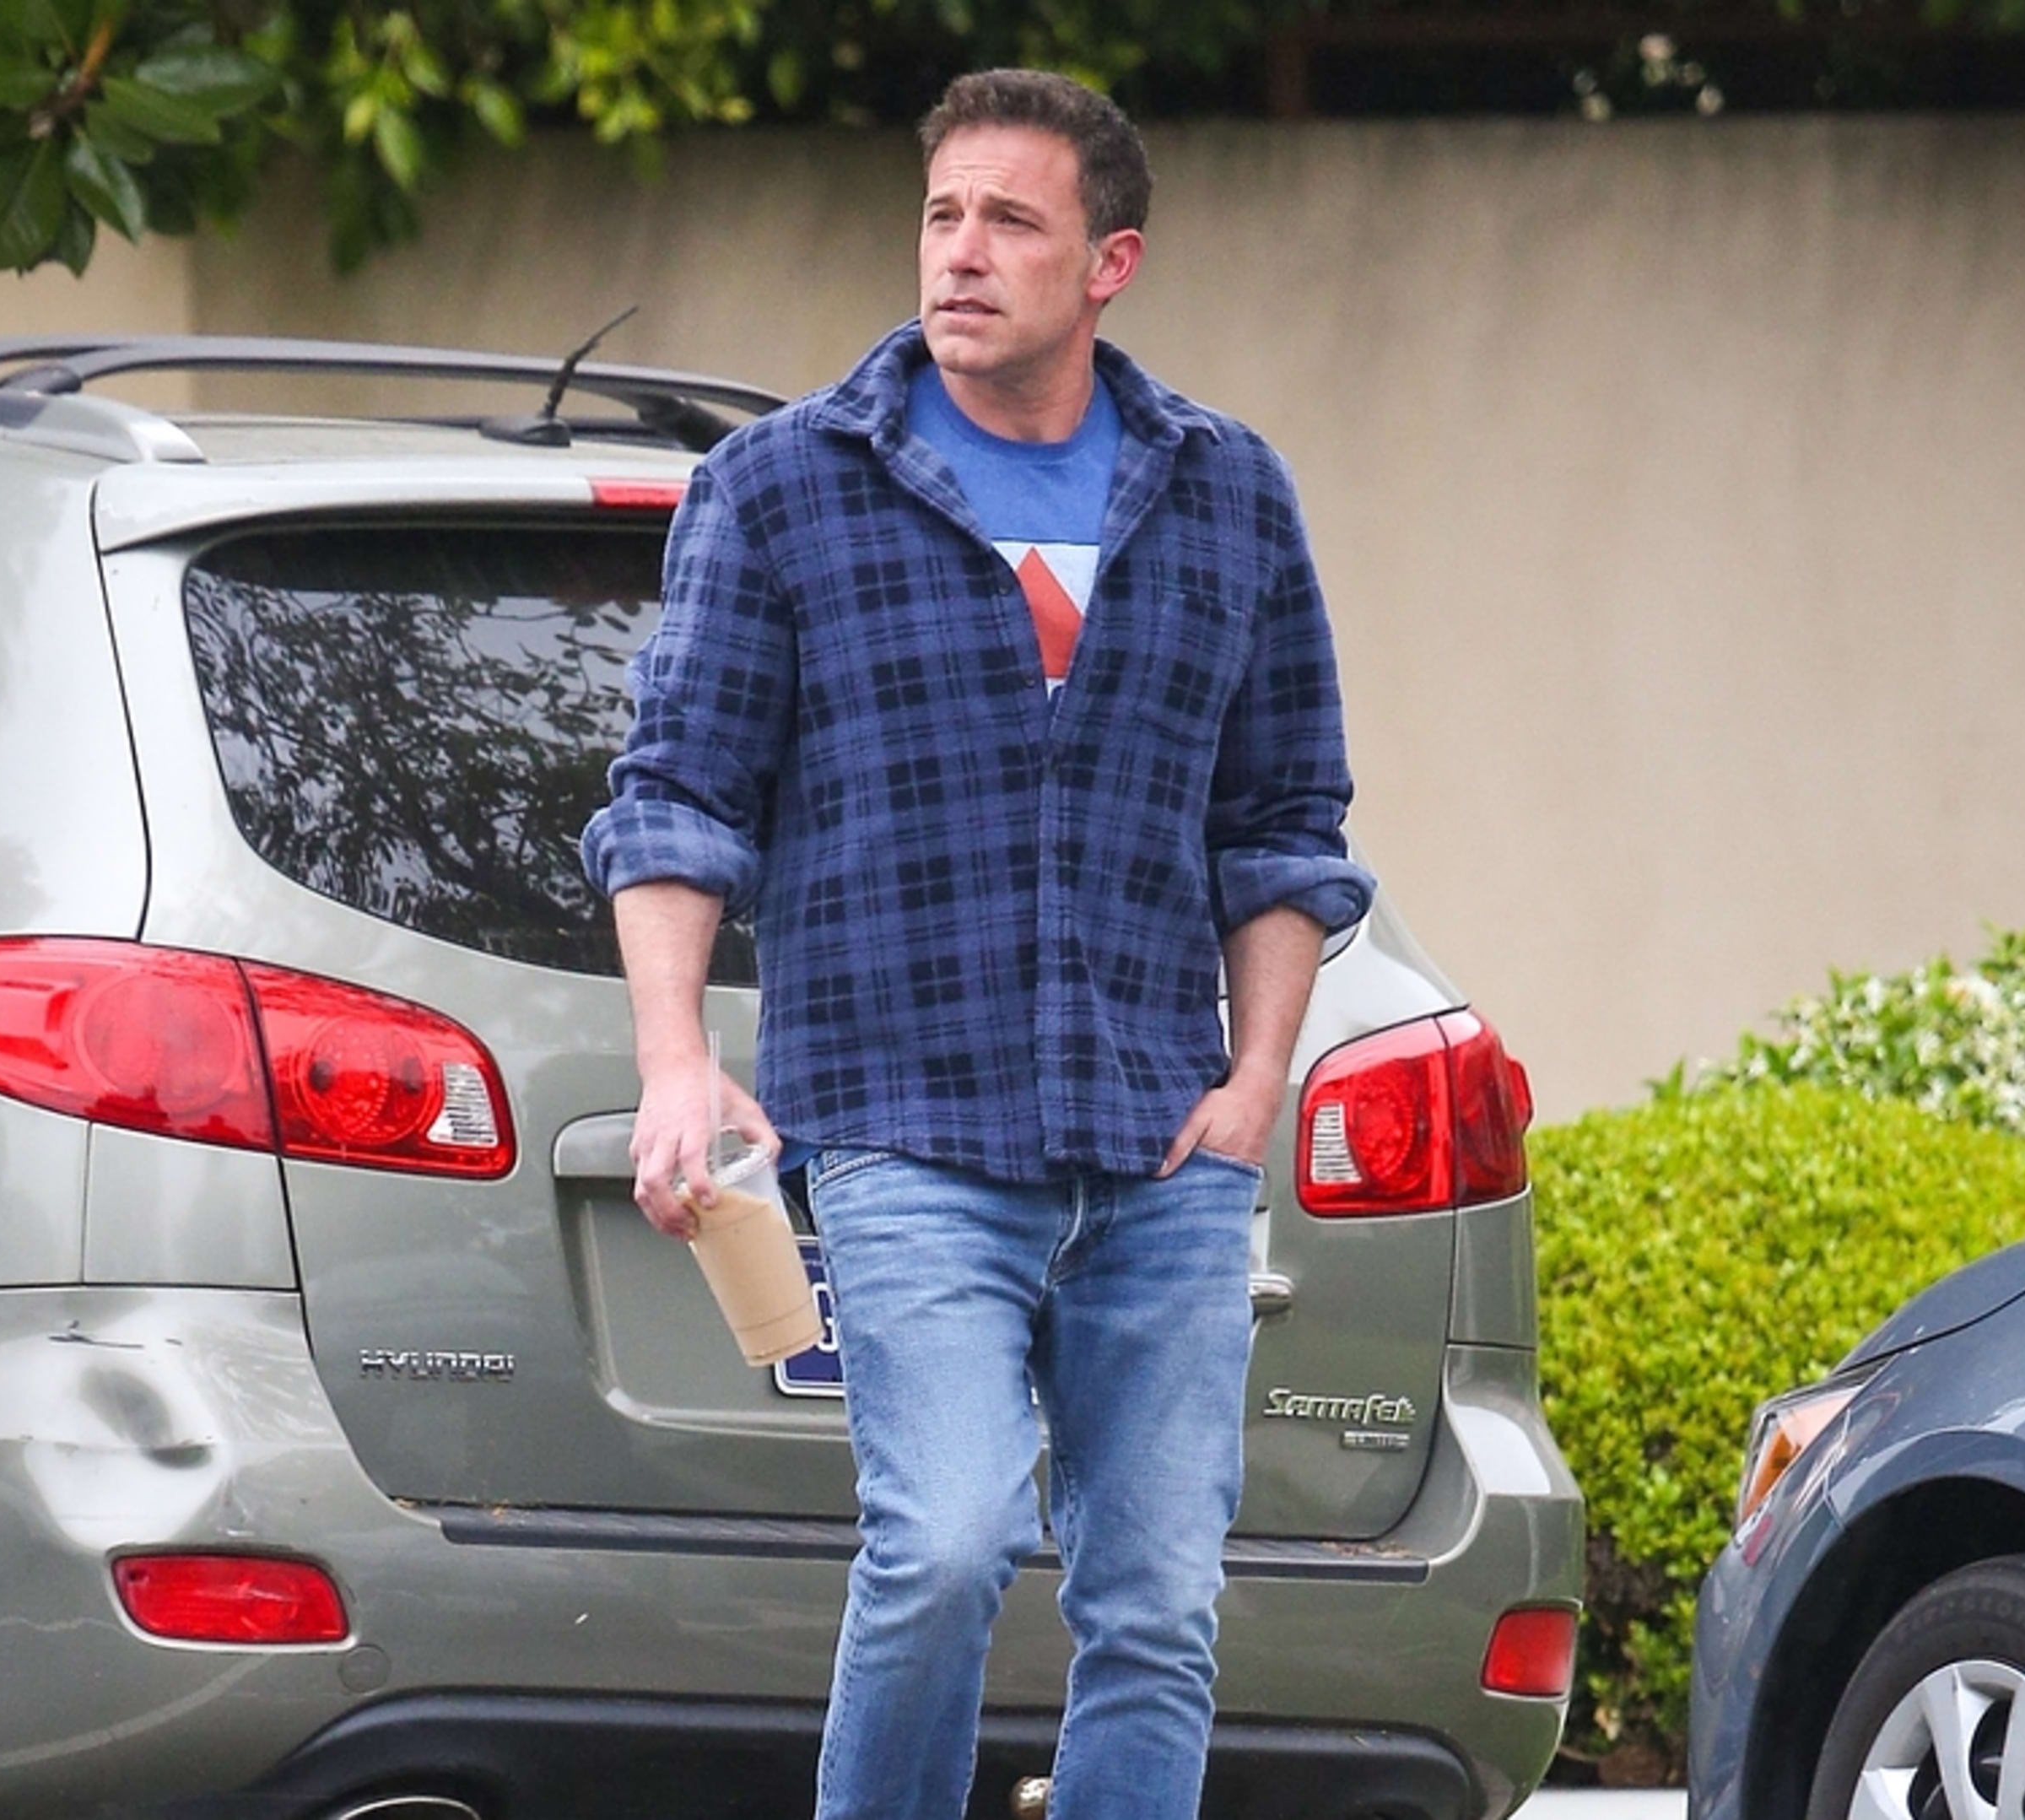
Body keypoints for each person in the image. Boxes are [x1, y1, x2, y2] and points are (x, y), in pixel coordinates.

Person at [579, 67, 1371, 1820]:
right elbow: (677, 798)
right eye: (942, 214)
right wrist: (675, 1057)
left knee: (1159, 1610)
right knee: (939, 1548)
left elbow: (1285, 825)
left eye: (1011, 219)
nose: (962, 252)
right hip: (908, 1136)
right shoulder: (787, 488)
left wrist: (1255, 1082)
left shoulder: (1228, 495)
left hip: (1163, 1147)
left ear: (1111, 262)